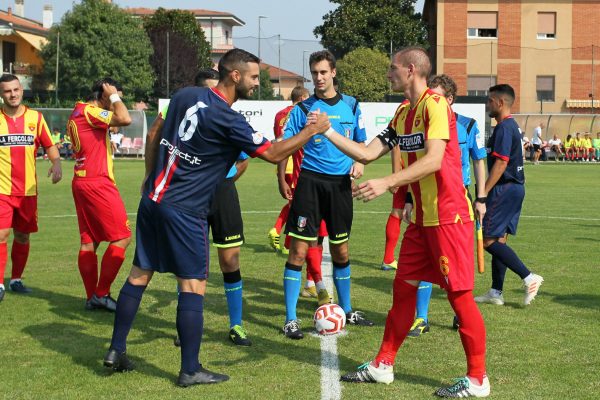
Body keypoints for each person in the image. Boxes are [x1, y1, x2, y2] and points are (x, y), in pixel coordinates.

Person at [102, 48, 331, 387]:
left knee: (139, 274)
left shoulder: (184, 95)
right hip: (184, 210)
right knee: (193, 284)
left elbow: (155, 135)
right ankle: (190, 369)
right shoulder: (227, 118)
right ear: (235, 76)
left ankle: (116, 349)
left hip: (153, 200)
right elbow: (272, 153)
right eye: (254, 77)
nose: (257, 83)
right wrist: (312, 131)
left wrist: (151, 178)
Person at [320, 47, 489, 397]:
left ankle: (477, 380)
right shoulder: (402, 113)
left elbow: (435, 160)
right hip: (422, 222)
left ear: (411, 70)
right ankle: (383, 365)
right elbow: (367, 153)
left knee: (460, 299)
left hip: (449, 219)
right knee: (402, 292)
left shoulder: (435, 105)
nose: (388, 74)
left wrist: (387, 182)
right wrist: (327, 132)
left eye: (392, 68)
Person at [280, 50, 371, 340]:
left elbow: (361, 142)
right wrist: (282, 176)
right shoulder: (303, 110)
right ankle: (291, 319)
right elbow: (285, 145)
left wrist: (359, 162)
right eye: (314, 73)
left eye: (323, 72)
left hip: (340, 186)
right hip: (309, 184)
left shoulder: (352, 105)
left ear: (333, 72)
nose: (318, 78)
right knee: (299, 250)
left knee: (342, 249)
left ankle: (347, 309)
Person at [168, 69, 254, 347]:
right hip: (193, 194)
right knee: (191, 262)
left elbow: (244, 160)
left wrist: (222, 179)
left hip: (223, 193)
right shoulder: (193, 116)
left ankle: (236, 325)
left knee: (230, 259)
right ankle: (186, 327)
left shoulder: (227, 118)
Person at [407, 73, 488, 338]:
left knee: (459, 265)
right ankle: (421, 317)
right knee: (425, 263)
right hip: (427, 198)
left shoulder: (468, 125)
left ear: (450, 99)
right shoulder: (421, 121)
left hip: (458, 200)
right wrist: (408, 198)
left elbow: (478, 161)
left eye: (437, 96)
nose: (430, 100)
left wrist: (481, 197)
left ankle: (460, 314)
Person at [474, 84, 544, 308]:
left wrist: (482, 193)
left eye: (490, 101)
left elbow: (502, 163)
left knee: (487, 239)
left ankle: (528, 277)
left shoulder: (504, 127)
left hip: (505, 188)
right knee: (500, 240)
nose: (488, 105)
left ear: (500, 103)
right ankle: (496, 292)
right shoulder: (510, 126)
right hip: (515, 189)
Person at [68, 77, 133, 311]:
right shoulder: (89, 112)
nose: (118, 101)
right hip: (97, 183)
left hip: (81, 180)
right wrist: (114, 96)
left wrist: (112, 100)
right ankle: (101, 293)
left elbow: (114, 124)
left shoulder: (77, 111)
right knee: (123, 237)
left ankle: (90, 297)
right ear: (103, 94)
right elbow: (124, 118)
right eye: (116, 96)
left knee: (89, 241)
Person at [0, 74, 62, 302]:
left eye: (15, 89)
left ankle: (16, 279)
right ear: (1, 94)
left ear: (21, 90)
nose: (13, 94)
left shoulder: (35, 118)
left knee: (23, 236)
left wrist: (56, 164)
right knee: (1, 234)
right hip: (2, 190)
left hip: (28, 191)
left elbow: (49, 144)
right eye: (7, 91)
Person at [268, 86, 310, 253]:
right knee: (298, 205)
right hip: (296, 163)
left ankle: (285, 241)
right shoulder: (301, 113)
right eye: (307, 99)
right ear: (301, 98)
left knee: (294, 203)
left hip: (282, 164)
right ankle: (279, 231)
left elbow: (278, 139)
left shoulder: (279, 114)